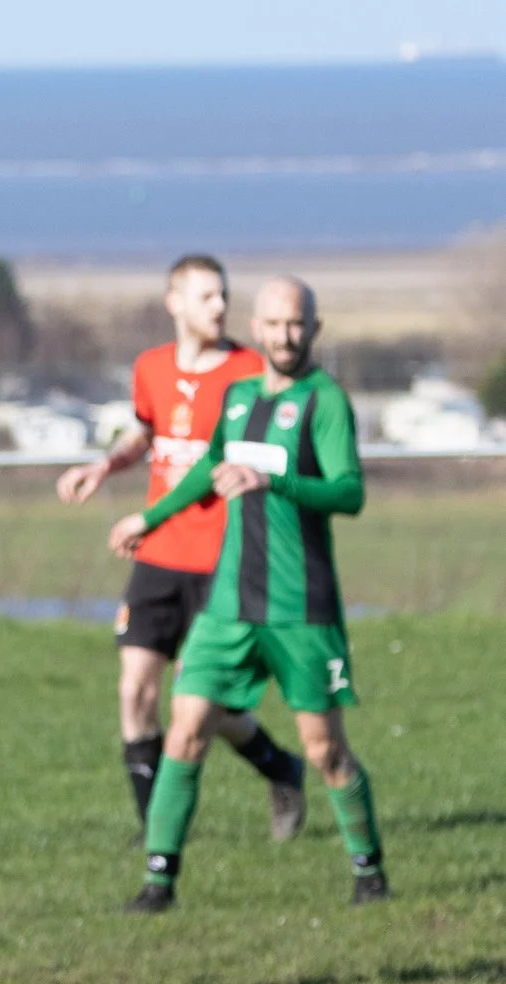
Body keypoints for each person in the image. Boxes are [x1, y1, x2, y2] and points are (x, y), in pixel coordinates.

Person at [109, 277, 387, 911]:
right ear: (257, 328)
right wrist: (146, 520)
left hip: (301, 607)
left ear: (314, 329)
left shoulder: (326, 402)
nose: (286, 336)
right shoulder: (236, 399)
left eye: (298, 324)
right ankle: (159, 884)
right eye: (275, 324)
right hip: (228, 603)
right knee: (185, 731)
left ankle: (368, 871)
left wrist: (275, 480)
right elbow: (208, 471)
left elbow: (349, 492)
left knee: (325, 749)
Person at [57, 255, 305, 836]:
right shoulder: (151, 367)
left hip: (225, 560)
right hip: (158, 556)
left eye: (223, 296)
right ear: (175, 302)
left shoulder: (250, 370)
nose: (219, 307)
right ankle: (158, 834)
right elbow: (148, 430)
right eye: (206, 297)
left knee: (205, 705)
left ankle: (281, 768)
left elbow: (281, 449)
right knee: (135, 689)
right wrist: (105, 464)